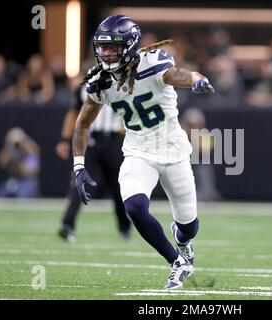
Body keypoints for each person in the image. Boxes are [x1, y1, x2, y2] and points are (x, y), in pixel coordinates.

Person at [72, 15, 214, 289]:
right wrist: (78, 165)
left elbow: (179, 75)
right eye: (102, 47)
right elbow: (82, 124)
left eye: (113, 47)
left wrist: (197, 77)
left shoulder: (154, 64)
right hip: (138, 151)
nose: (106, 53)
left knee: (189, 226)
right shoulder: (101, 81)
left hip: (173, 152)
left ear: (130, 46)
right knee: (135, 206)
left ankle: (182, 240)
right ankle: (176, 263)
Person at [56, 83, 131, 242]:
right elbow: (73, 112)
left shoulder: (124, 83)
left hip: (114, 139)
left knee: (119, 186)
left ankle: (124, 228)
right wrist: (64, 138)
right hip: (89, 138)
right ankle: (67, 225)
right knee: (79, 181)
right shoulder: (84, 86)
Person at [0, 127, 40, 198]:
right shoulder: (11, 151)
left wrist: (26, 148)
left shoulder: (30, 152)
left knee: (22, 196)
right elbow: (1, 163)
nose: (17, 145)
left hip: (27, 181)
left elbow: (30, 172)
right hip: (12, 180)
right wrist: (8, 146)